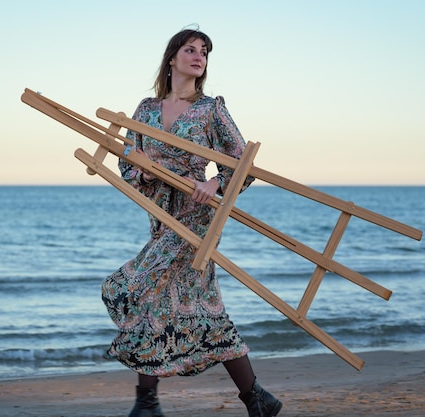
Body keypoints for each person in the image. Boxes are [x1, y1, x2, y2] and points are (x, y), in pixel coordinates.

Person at [101, 27, 282, 417]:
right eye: (190, 49)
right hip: (163, 218)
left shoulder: (211, 109)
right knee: (192, 307)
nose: (199, 56)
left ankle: (146, 404)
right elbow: (127, 163)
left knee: (137, 289)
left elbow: (243, 164)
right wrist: (146, 174)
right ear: (172, 58)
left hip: (197, 218)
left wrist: (215, 183)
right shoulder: (146, 110)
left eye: (204, 52)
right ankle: (257, 398)